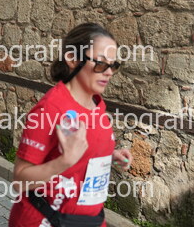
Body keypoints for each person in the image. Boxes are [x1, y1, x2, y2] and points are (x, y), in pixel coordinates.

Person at [9, 23, 133, 227]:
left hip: (90, 220)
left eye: (113, 65)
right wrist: (64, 161)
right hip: (47, 220)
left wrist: (109, 155)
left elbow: (83, 147)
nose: (109, 72)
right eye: (101, 64)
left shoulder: (96, 104)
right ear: (72, 59)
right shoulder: (50, 109)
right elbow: (20, 181)